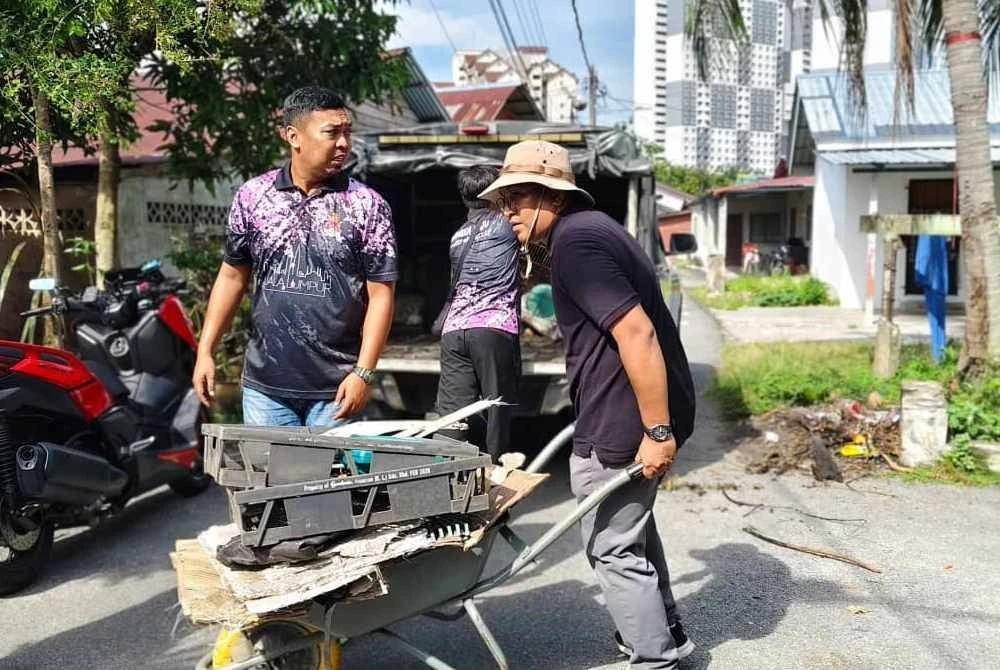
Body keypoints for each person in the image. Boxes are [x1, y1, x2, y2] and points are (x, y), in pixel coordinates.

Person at [480, 140, 698, 669]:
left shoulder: (577, 242)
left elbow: (637, 334)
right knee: (630, 528)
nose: (507, 210)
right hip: (625, 411)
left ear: (550, 197)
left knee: (612, 546)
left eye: (517, 196)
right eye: (503, 198)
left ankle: (655, 659)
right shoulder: (594, 230)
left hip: (623, 419)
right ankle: (663, 631)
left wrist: (657, 431)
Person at [192, 86, 397, 427]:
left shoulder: (367, 205)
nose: (344, 143)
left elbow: (381, 295)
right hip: (266, 389)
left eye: (347, 132)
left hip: (337, 390)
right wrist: (205, 351)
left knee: (336, 482)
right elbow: (232, 276)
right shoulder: (253, 196)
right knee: (270, 481)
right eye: (332, 133)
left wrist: (363, 372)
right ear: (293, 136)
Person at [435, 165, 521, 462]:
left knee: (453, 418)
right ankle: (495, 475)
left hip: (454, 331)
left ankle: (448, 477)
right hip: (492, 327)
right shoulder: (507, 223)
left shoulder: (457, 236)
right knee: (496, 409)